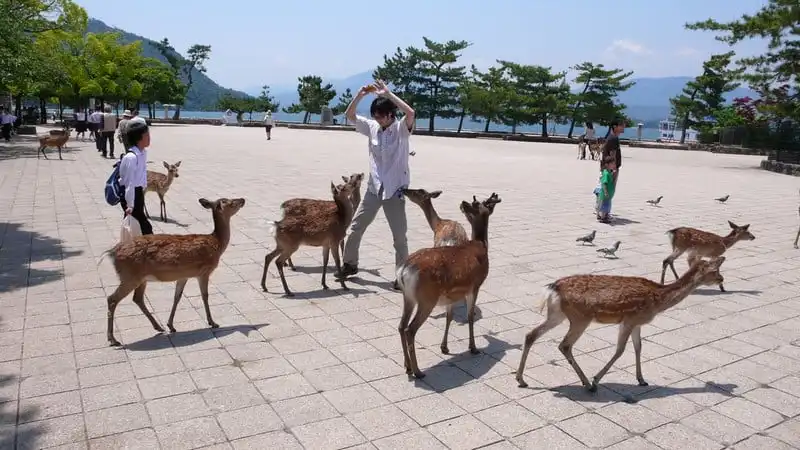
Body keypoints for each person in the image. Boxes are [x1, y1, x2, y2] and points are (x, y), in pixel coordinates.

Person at [336, 80, 415, 289]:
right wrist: (360, 94)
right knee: (355, 228)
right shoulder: (372, 128)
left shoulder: (400, 130)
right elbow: (350, 116)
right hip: (374, 188)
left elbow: (411, 113)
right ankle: (350, 264)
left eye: (381, 116)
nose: (377, 120)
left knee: (399, 237)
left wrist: (389, 95)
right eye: (375, 116)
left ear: (390, 114)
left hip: (394, 190)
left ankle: (402, 277)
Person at [118, 121, 153, 235]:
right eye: (146, 135)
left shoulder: (142, 153)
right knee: (144, 226)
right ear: (139, 138)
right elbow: (129, 183)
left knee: (134, 223)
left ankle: (129, 245)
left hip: (138, 192)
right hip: (131, 193)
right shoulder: (131, 158)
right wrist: (130, 204)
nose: (149, 138)